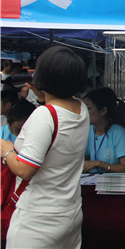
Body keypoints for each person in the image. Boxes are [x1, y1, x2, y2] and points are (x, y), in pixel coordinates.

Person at [0, 46, 89, 248]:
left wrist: (7, 152)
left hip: (37, 218)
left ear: (42, 77)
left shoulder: (45, 115)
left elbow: (25, 169)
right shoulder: (81, 108)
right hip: (70, 211)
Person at [83, 87, 125, 173]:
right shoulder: (88, 130)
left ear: (103, 111)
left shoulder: (119, 133)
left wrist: (99, 164)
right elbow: (86, 159)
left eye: (88, 108)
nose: (84, 112)